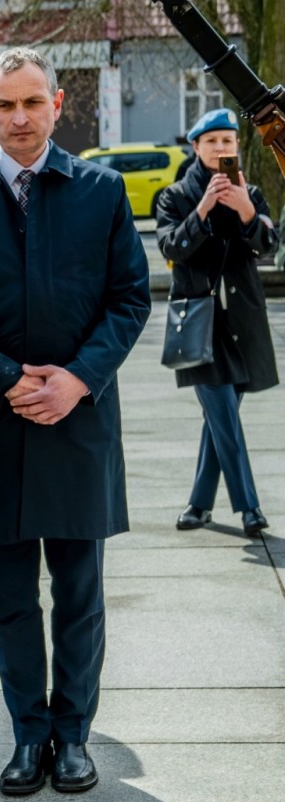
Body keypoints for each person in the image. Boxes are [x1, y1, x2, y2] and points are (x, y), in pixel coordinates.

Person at [0, 46, 151, 796]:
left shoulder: (101, 191)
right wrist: (6, 378)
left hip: (77, 422)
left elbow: (129, 297)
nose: (20, 117)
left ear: (56, 105)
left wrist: (78, 379)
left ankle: (73, 735)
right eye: (6, 106)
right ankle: (28, 735)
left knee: (79, 595)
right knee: (12, 599)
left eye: (33, 102)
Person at [156, 108, 278, 537]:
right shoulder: (174, 196)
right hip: (198, 324)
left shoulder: (251, 193)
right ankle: (250, 508)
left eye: (228, 141)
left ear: (236, 145)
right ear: (196, 146)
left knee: (218, 419)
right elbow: (171, 247)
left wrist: (247, 212)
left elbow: (269, 246)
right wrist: (204, 208)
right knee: (223, 413)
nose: (221, 148)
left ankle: (199, 504)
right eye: (212, 141)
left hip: (243, 322)